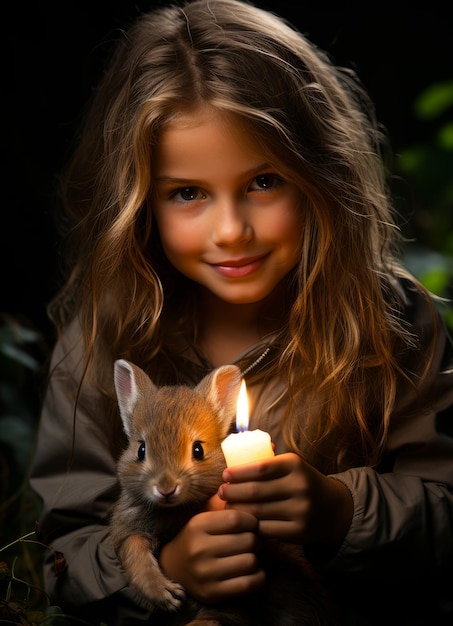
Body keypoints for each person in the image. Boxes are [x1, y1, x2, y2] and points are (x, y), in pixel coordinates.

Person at [29, 0, 453, 624]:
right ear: (139, 202)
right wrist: (168, 569)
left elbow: (444, 509)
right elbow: (60, 552)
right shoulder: (101, 340)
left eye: (263, 182)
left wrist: (340, 513)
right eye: (188, 193)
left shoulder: (388, 320)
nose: (231, 231)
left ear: (318, 176)